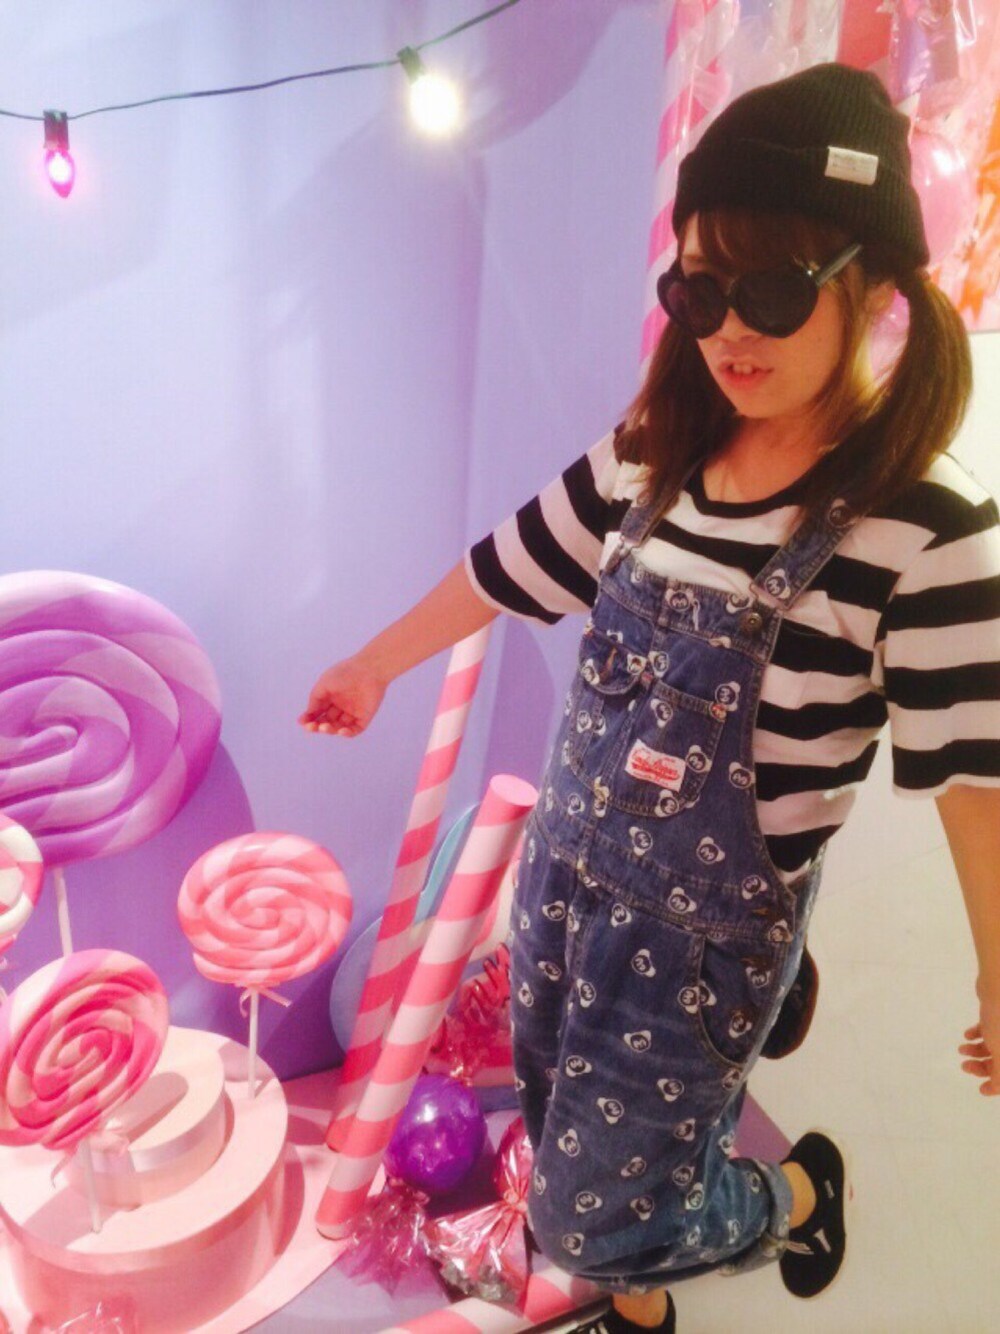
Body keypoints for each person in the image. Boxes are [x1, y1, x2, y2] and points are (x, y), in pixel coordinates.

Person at [301, 63, 1000, 1334]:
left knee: (588, 1216)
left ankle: (794, 1191)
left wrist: (997, 977)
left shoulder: (921, 529)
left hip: (705, 933)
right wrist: (374, 661)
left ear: (874, 287)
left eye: (774, 289)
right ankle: (641, 1308)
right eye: (699, 288)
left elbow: (972, 777)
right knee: (560, 1112)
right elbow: (509, 563)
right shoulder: (651, 458)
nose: (730, 329)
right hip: (565, 877)